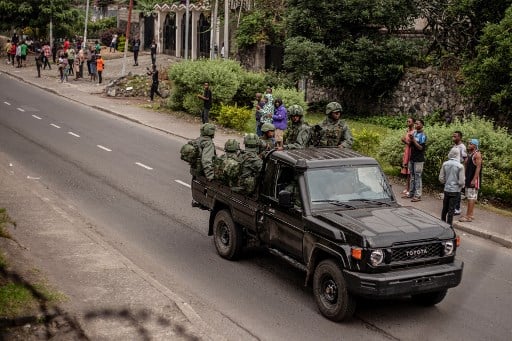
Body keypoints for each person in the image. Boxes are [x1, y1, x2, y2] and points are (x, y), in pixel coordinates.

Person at [439, 148, 465, 226]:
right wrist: (460, 186)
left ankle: (442, 224)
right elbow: (461, 181)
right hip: (455, 191)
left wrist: (446, 183)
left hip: (446, 189)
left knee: (444, 209)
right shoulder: (460, 166)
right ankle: (449, 226)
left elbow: (441, 178)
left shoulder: (445, 164)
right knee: (451, 210)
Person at [402, 119, 427, 202]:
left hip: (419, 159)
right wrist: (405, 141)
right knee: (412, 176)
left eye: (418, 123)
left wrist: (413, 140)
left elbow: (421, 148)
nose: (416, 125)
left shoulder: (423, 135)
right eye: (415, 123)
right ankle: (411, 193)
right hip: (412, 158)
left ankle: (418, 195)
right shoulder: (414, 133)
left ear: (422, 125)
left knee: (417, 177)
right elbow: (410, 145)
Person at [459, 139, 482, 222]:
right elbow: (466, 165)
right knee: (470, 197)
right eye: (468, 143)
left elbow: (478, 168)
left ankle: (468, 216)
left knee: (471, 198)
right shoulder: (471, 154)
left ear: (475, 145)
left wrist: (473, 180)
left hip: (473, 180)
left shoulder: (477, 154)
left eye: (470, 144)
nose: (468, 145)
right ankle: (471, 215)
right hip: (468, 178)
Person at [452, 130, 467, 215]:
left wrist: (463, 173)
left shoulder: (462, 147)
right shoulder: (454, 146)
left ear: (460, 137)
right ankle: (453, 206)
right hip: (453, 170)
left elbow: (465, 160)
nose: (453, 137)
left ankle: (457, 208)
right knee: (454, 189)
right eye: (453, 136)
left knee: (458, 190)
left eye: (455, 136)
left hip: (459, 170)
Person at [400, 117, 415, 196]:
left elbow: (411, 144)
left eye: (409, 121)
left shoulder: (414, 132)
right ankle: (407, 188)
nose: (407, 122)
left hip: (411, 152)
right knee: (407, 170)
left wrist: (404, 141)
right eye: (407, 121)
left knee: (410, 171)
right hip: (407, 151)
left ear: (413, 123)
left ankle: (409, 189)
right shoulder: (408, 131)